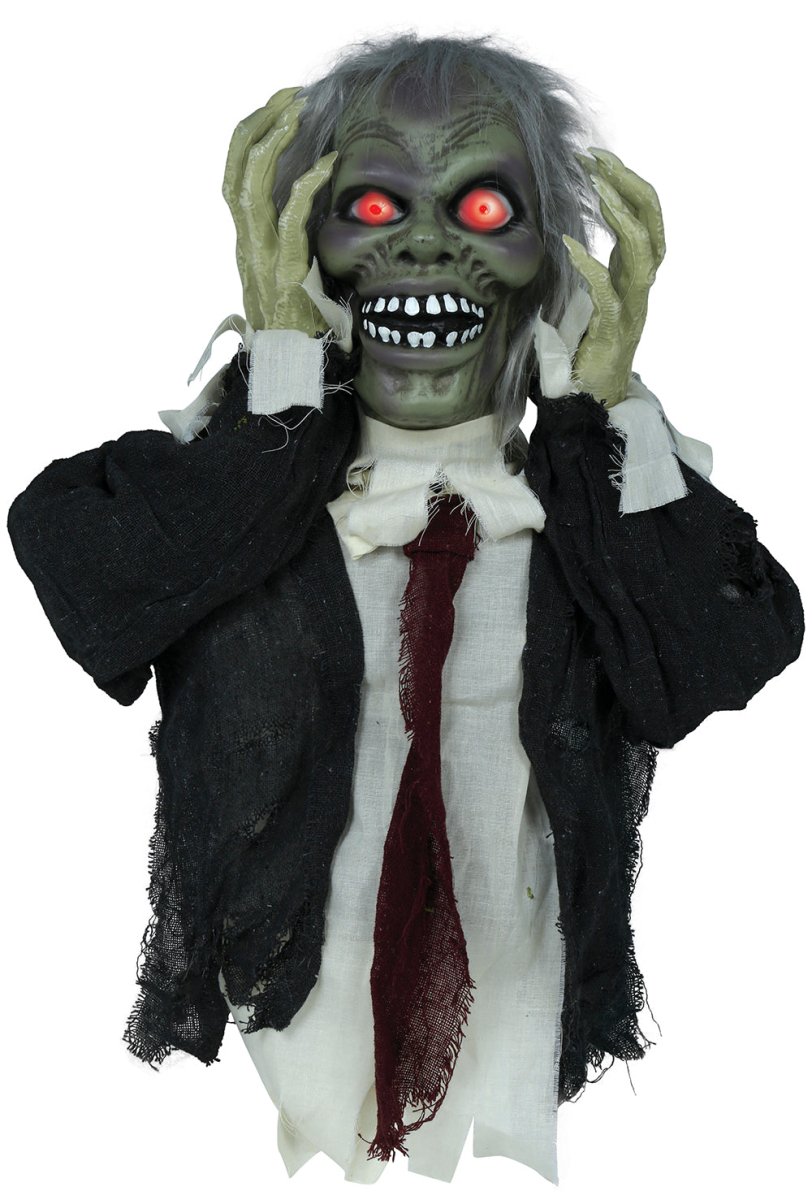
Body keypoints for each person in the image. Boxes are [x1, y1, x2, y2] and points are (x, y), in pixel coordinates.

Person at [7, 33, 804, 1186]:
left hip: (526, 1034)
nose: (423, 244)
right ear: (307, 241)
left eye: (482, 208)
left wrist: (600, 407)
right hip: (272, 1035)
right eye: (373, 205)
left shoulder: (591, 498)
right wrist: (281, 375)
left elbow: (724, 645)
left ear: (545, 258)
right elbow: (86, 570)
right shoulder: (235, 480)